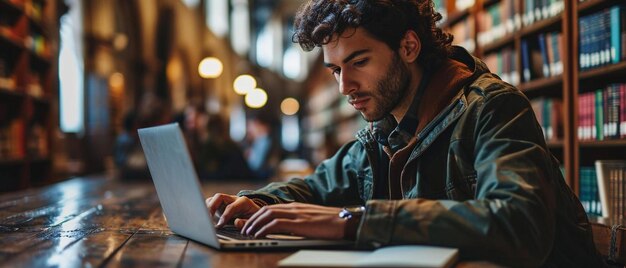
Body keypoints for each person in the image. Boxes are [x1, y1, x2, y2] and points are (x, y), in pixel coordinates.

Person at [206, 1, 605, 267]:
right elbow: (315, 188)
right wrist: (254, 201)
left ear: (409, 46)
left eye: (358, 61)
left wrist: (355, 221)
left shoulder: (492, 108)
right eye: (335, 71)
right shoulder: (382, 130)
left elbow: (520, 223)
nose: (345, 86)